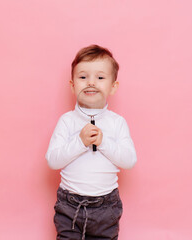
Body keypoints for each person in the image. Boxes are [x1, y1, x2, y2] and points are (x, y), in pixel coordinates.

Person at [45, 44, 137, 240]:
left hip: (106, 206)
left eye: (100, 77)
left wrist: (103, 142)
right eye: (83, 77)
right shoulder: (67, 121)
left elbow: (129, 160)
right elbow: (53, 160)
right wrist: (79, 142)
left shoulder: (117, 123)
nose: (91, 83)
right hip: (70, 206)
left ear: (113, 87)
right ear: (72, 86)